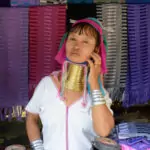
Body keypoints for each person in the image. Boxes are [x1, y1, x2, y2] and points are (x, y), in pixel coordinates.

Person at [25, 17, 115, 150]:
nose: (76, 46)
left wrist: (94, 84)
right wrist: (38, 147)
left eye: (85, 41)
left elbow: (104, 131)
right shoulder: (47, 84)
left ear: (95, 50)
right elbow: (31, 117)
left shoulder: (99, 94)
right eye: (72, 39)